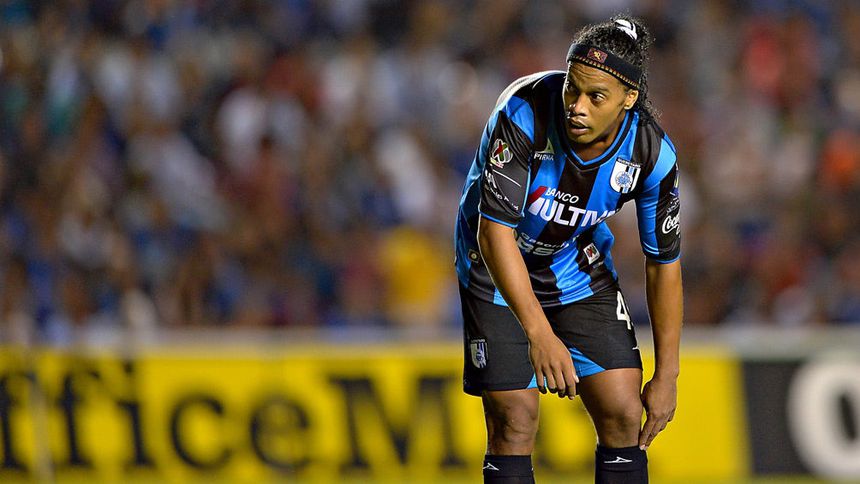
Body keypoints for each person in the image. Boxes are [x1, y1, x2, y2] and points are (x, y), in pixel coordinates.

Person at [454, 15, 683, 484]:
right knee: (515, 417)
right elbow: (494, 233)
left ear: (629, 99)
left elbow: (663, 265)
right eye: (572, 89)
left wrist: (668, 375)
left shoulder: (652, 155)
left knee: (623, 411)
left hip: (573, 263)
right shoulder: (524, 112)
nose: (577, 107)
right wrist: (540, 334)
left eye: (596, 97)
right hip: (495, 265)